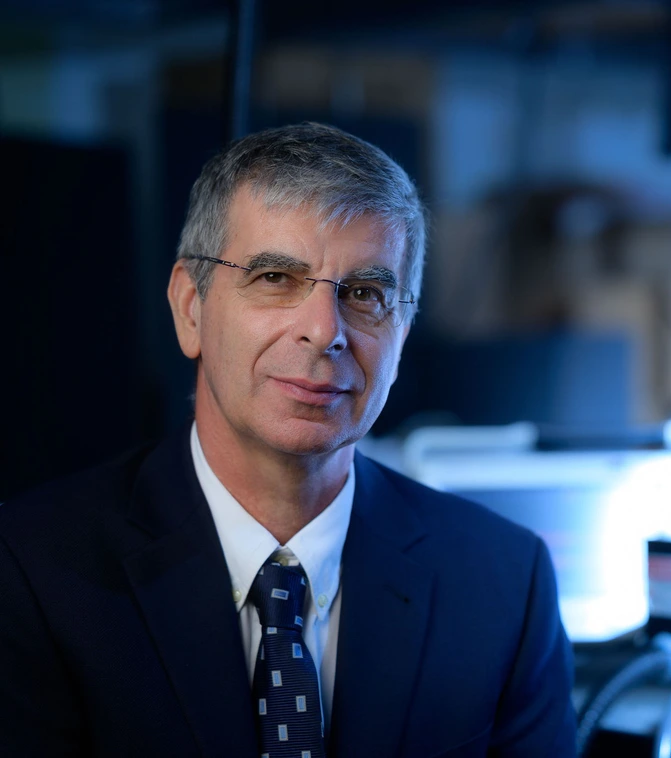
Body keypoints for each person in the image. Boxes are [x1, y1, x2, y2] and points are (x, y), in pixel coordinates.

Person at [0, 122, 576, 757]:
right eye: (275, 278)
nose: (324, 330)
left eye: (365, 293)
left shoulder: (502, 584)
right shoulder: (35, 575)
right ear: (191, 308)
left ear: (403, 333)